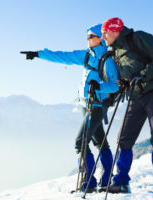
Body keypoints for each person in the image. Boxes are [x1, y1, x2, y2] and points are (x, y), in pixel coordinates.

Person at [21, 24, 119, 192]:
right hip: (84, 104)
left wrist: (99, 86)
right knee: (99, 142)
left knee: (80, 142)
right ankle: (105, 180)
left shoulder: (107, 60)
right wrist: (38, 54)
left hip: (96, 106)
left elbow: (114, 86)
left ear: (100, 38)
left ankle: (88, 182)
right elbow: (64, 57)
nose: (87, 39)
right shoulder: (87, 55)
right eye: (87, 36)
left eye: (90, 36)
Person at [101, 17, 153, 195]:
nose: (103, 38)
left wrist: (143, 75)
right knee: (124, 138)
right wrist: (112, 97)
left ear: (115, 31)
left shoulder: (139, 38)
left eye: (105, 33)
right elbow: (125, 80)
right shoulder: (115, 52)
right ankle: (121, 182)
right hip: (135, 97)